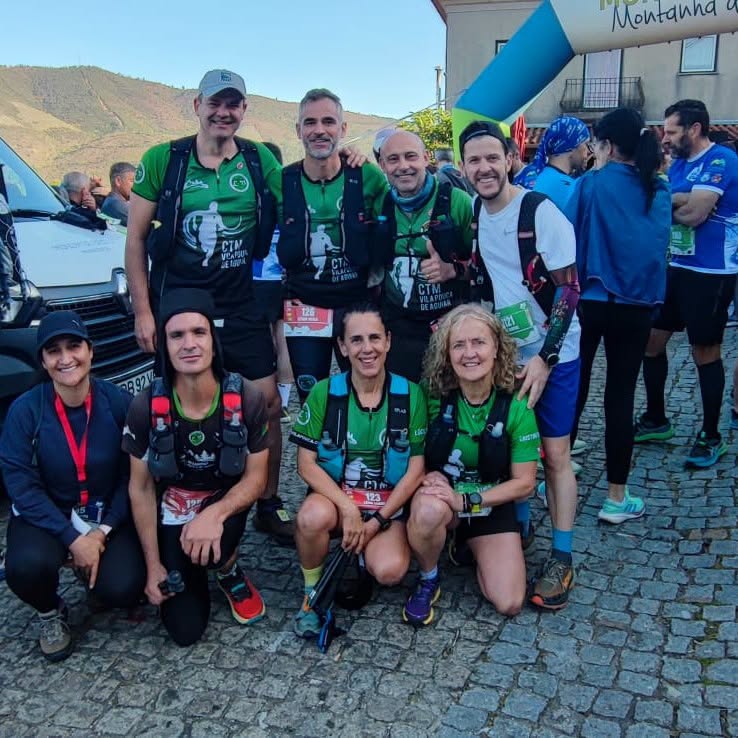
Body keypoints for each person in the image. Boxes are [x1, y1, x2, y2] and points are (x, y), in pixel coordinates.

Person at [125, 69, 293, 544]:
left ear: (244, 110)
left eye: (233, 104)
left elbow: (299, 199)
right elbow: (135, 241)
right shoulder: (164, 159)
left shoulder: (258, 159)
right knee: (177, 403)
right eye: (215, 103)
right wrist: (144, 312)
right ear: (197, 106)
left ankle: (267, 502)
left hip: (239, 301)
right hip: (180, 302)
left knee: (269, 403)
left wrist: (344, 160)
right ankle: (175, 500)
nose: (224, 112)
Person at [460, 120, 581, 610]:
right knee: (511, 445)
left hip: (555, 353)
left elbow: (570, 290)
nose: (484, 168)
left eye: (493, 157)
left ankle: (562, 556)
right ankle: (519, 526)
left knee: (554, 455)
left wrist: (545, 359)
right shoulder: (476, 210)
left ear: (510, 158)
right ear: (464, 167)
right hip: (507, 352)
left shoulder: (540, 211)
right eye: (474, 160)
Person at [124, 289, 269, 646]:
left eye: (199, 332)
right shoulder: (145, 406)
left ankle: (228, 568)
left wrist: (214, 515)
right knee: (184, 630)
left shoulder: (248, 398)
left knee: (215, 547)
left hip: (223, 500)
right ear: (164, 346)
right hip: (173, 505)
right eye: (177, 335)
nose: (189, 344)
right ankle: (188, 562)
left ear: (213, 342)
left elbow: (256, 478)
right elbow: (140, 488)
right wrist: (154, 565)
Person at [0, 311, 144, 661]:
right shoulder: (24, 411)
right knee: (24, 566)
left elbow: (132, 477)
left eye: (74, 346)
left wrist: (101, 533)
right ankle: (51, 612)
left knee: (124, 587)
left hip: (103, 515)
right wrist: (73, 539)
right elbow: (21, 485)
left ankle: (94, 577)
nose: (65, 358)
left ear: (90, 351)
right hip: (49, 515)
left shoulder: (118, 402)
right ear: (43, 361)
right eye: (54, 351)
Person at [288, 303, 427, 637]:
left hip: (386, 506)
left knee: (390, 572)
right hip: (338, 501)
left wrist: (377, 520)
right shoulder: (323, 393)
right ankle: (312, 592)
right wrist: (348, 508)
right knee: (310, 518)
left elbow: (416, 471)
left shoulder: (411, 394)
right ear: (342, 346)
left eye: (375, 338)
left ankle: (363, 553)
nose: (367, 348)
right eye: (357, 340)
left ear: (388, 341)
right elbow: (305, 464)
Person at [566, 108, 671, 524]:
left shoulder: (589, 184)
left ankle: (557, 474)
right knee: (621, 397)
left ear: (607, 145)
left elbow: (565, 238)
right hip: (636, 306)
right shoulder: (657, 188)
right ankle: (616, 496)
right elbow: (658, 251)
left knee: (574, 386)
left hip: (589, 300)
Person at [404, 305, 539, 624]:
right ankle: (428, 577)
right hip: (442, 499)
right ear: (446, 354)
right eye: (458, 345)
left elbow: (524, 483)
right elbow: (408, 456)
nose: (469, 354)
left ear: (497, 348)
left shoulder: (517, 404)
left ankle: (466, 544)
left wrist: (466, 501)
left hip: (488, 502)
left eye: (478, 342)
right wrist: (428, 476)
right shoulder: (430, 394)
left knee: (510, 602)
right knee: (428, 511)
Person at [636, 100, 738, 467]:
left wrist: (676, 201)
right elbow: (659, 202)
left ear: (694, 129)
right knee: (651, 342)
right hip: (676, 266)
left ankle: (711, 436)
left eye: (672, 131)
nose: (665, 139)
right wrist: (679, 199)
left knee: (704, 350)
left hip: (712, 272)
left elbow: (693, 215)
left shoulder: (721, 160)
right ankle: (656, 419)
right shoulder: (678, 163)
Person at [278, 88, 388, 402]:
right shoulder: (280, 181)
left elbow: (392, 229)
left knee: (367, 392)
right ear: (298, 130)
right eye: (310, 122)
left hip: (356, 302)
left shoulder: (368, 176)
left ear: (343, 128)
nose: (319, 130)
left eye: (328, 121)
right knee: (312, 395)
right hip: (304, 306)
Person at [375, 130, 473, 382]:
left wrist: (454, 270)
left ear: (426, 158)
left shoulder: (458, 202)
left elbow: (485, 267)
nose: (403, 166)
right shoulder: (379, 205)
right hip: (399, 329)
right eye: (393, 159)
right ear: (382, 165)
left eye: (410, 156)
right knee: (406, 400)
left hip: (449, 328)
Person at [250, 142, 294, 422]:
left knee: (263, 342)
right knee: (284, 339)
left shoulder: (254, 196)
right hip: (286, 277)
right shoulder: (289, 194)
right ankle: (284, 404)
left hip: (258, 278)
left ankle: (266, 401)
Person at [514, 116, 591, 211]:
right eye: (586, 144)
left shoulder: (534, 177)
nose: (588, 151)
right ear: (570, 146)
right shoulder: (569, 188)